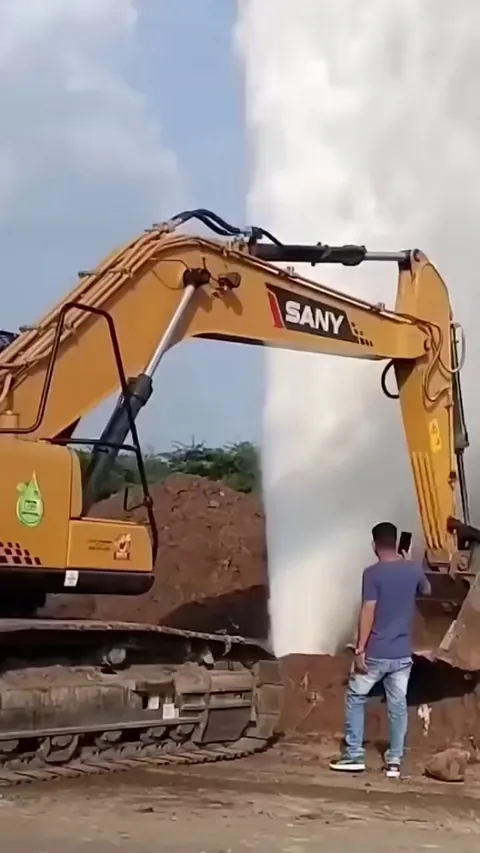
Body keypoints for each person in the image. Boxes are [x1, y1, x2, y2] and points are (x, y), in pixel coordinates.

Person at [329, 521, 431, 779]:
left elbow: (368, 610)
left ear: (374, 545)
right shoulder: (413, 569)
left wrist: (360, 648)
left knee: (355, 695)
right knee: (397, 705)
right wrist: (410, 564)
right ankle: (394, 761)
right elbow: (427, 589)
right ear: (396, 543)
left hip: (377, 651)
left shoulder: (372, 574)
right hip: (402, 654)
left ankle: (353, 755)